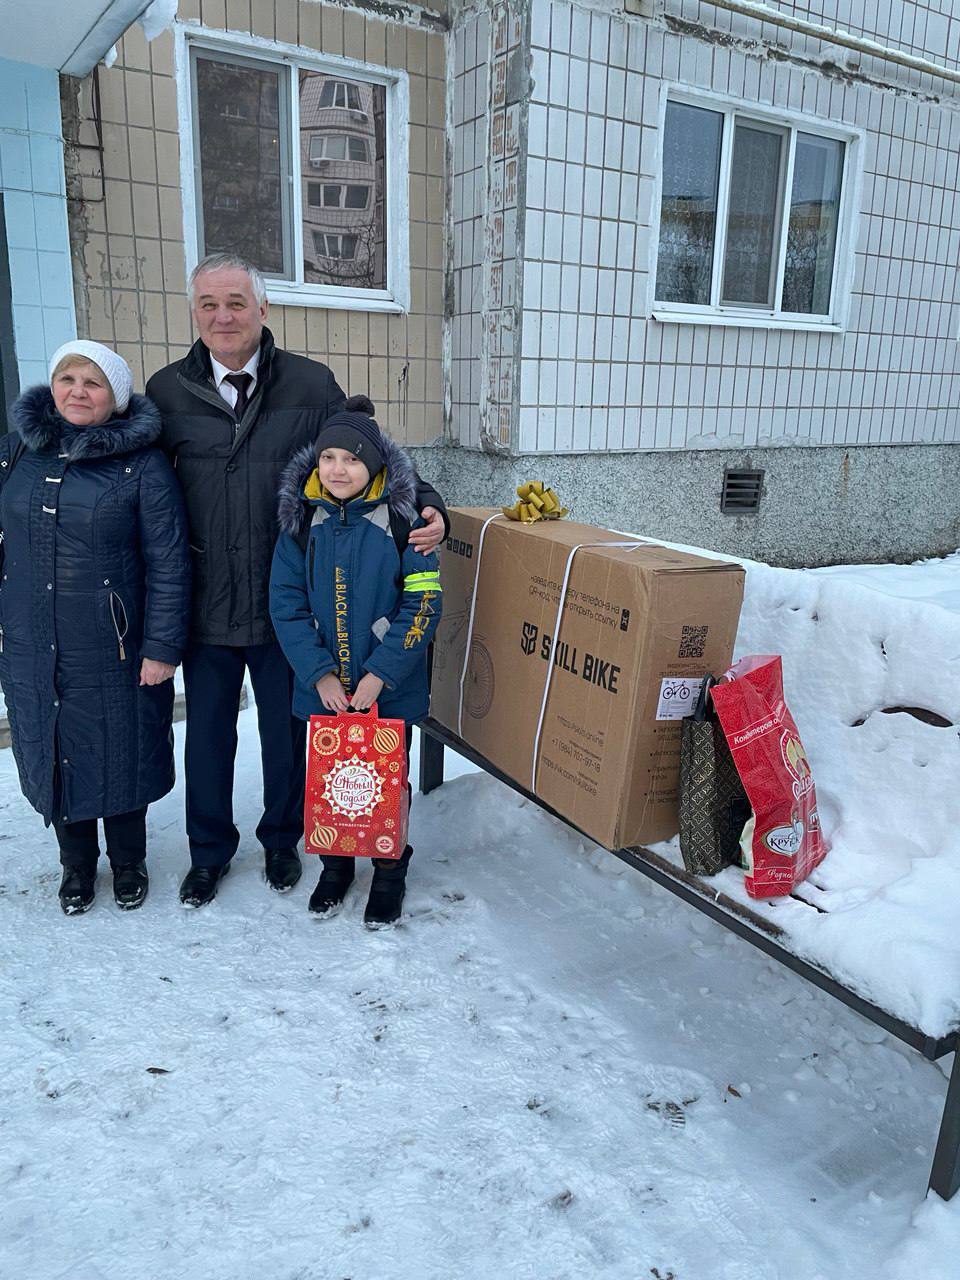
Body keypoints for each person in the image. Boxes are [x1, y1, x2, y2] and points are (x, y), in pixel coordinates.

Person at [145, 253, 449, 907]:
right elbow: (142, 484)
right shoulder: (166, 391)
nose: (223, 316)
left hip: (292, 602)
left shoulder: (310, 385)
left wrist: (427, 505)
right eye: (208, 304)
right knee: (207, 737)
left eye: (236, 302)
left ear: (263, 309)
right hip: (208, 598)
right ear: (193, 312)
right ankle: (208, 853)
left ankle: (283, 840)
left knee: (287, 736)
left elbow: (368, 451)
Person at [0, 341, 190, 914]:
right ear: (52, 386)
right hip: (32, 639)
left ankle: (129, 861)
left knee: (121, 750)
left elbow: (169, 562)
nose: (78, 392)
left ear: (116, 397)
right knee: (52, 746)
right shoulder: (18, 451)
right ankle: (76, 864)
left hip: (115, 645)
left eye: (93, 383)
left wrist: (161, 646)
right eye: (68, 379)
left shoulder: (143, 465)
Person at [269, 407, 441, 926]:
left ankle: (389, 871)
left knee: (385, 779)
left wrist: (381, 674)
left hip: (387, 688)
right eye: (328, 457)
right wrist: (318, 673)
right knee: (332, 779)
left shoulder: (405, 523)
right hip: (327, 689)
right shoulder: (302, 523)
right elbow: (285, 604)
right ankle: (335, 865)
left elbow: (423, 604)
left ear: (375, 466)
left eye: (351, 459)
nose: (338, 469)